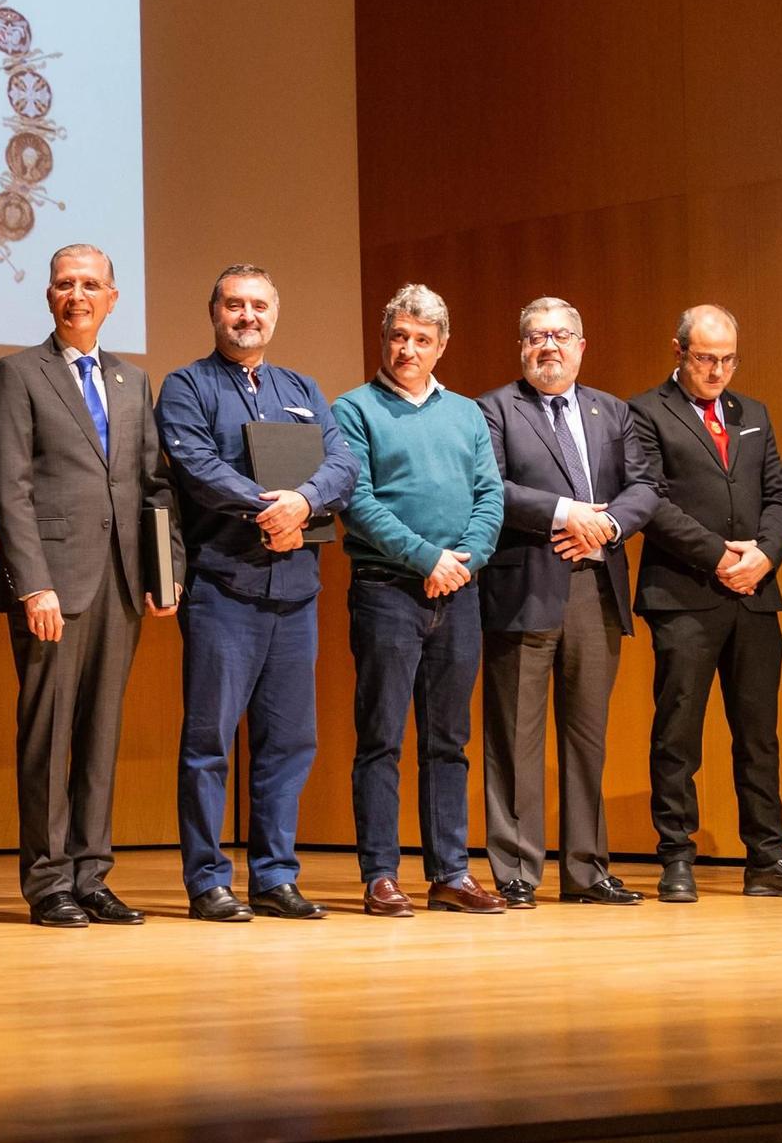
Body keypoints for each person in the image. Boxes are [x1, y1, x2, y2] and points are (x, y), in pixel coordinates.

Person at [0, 243, 183, 928]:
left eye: (91, 284)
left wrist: (166, 571)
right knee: (48, 732)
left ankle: (91, 873)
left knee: (100, 733)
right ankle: (47, 882)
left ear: (113, 298)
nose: (78, 294)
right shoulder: (16, 373)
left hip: (122, 584)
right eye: (65, 283)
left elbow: (154, 487)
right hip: (52, 588)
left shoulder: (132, 381)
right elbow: (9, 489)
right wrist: (31, 584)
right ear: (48, 296)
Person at [156, 265, 358, 922]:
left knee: (290, 740)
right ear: (213, 310)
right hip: (224, 588)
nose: (248, 315)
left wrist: (303, 500)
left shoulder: (302, 388)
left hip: (297, 592)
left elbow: (343, 464)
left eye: (259, 305)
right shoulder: (187, 386)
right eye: (235, 304)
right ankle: (208, 878)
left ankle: (274, 874)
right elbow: (196, 468)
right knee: (209, 740)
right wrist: (269, 509)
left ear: (275, 312)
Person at [628, 306, 782, 902]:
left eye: (728, 359)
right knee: (678, 732)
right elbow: (652, 502)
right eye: (705, 358)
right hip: (685, 595)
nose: (718, 370)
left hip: (755, 594)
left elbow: (780, 495)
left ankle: (767, 858)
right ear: (678, 350)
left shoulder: (753, 413)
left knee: (758, 734)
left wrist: (765, 557)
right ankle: (676, 857)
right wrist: (720, 556)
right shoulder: (644, 413)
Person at [331, 284, 506, 917]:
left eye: (422, 340)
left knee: (448, 739)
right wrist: (426, 558)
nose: (409, 349)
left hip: (458, 591)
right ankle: (381, 873)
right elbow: (358, 502)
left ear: (442, 346)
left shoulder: (466, 414)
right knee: (380, 736)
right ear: (384, 340)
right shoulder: (351, 409)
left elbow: (490, 496)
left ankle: (450, 873)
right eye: (399, 337)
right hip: (386, 591)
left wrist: (462, 561)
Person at [478, 297, 658, 907]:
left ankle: (586, 869)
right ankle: (517, 872)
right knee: (514, 736)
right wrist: (564, 512)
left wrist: (606, 528)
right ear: (521, 348)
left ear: (582, 346)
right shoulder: (494, 410)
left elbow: (643, 487)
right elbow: (490, 487)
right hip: (524, 584)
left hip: (595, 587)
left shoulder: (614, 411)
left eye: (560, 336)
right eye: (535, 337)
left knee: (587, 737)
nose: (548, 346)